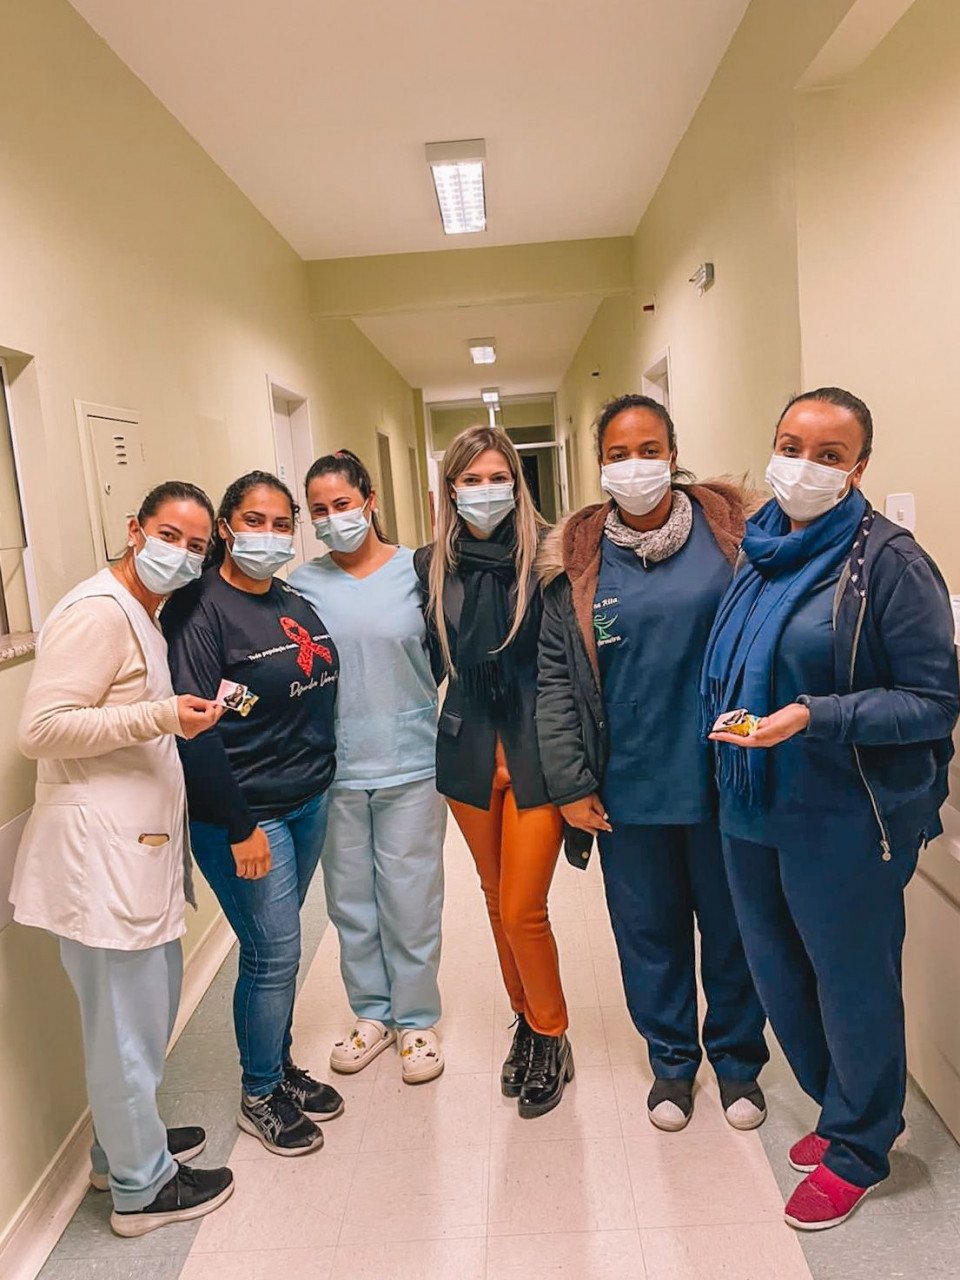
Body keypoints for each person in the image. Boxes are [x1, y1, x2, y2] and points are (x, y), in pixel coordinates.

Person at [704, 387, 959, 1230]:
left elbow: (933, 701)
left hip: (846, 815)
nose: (803, 467)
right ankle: (842, 1105)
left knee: (852, 985)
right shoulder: (760, 550)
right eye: (790, 446)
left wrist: (816, 715)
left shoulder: (888, 562)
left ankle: (859, 1146)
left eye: (829, 455)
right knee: (781, 977)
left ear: (859, 468)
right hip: (753, 804)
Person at [536, 394, 769, 1133]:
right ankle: (671, 1061)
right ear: (599, 465)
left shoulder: (732, 535)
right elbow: (555, 681)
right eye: (618, 454)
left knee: (732, 929)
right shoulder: (580, 558)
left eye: (648, 450)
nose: (634, 466)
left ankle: (737, 1061)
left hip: (723, 777)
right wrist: (570, 783)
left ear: (672, 453)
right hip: (627, 785)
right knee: (648, 932)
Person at [10, 481, 234, 1238]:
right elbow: (41, 728)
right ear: (135, 529)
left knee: (140, 1018)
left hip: (127, 857)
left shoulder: (142, 610)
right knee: (123, 1032)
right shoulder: (98, 612)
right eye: (170, 535)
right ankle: (143, 1191)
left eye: (197, 546)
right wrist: (161, 716)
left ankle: (121, 1151)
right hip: (97, 864)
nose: (182, 554)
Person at [161, 470, 344, 1157]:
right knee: (273, 952)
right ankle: (260, 1092)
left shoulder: (289, 599)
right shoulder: (197, 610)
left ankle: (280, 1065)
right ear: (227, 528)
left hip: (306, 799)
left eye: (280, 523)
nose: (268, 535)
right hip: (245, 813)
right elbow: (196, 730)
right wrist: (239, 827)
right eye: (253, 521)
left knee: (278, 947)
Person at [414, 424, 572, 1119]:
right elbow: (421, 657)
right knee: (492, 896)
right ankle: (526, 1025)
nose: (485, 491)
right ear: (450, 488)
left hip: (537, 749)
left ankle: (552, 1031)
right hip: (467, 748)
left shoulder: (551, 555)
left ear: (517, 482)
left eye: (497, 478)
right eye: (471, 480)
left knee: (522, 906)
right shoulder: (431, 564)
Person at [290, 449, 445, 1084]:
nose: (333, 519)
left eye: (343, 504)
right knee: (351, 901)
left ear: (370, 501)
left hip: (411, 760)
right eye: (319, 510)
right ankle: (372, 1015)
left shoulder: (418, 571)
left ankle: (417, 1020)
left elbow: (440, 654)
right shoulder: (301, 585)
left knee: (411, 896)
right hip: (335, 767)